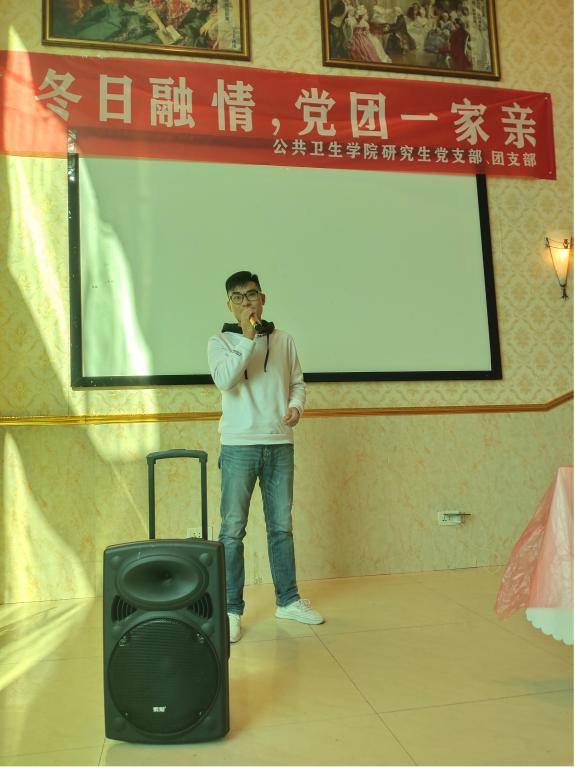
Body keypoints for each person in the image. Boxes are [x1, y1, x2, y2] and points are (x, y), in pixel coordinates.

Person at [207, 271, 324, 643]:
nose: (246, 302)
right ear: (229, 304)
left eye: (252, 295)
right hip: (238, 446)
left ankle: (288, 600)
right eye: (238, 297)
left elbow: (297, 383)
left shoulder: (284, 340)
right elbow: (225, 380)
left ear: (263, 298)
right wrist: (247, 339)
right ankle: (230, 610)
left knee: (281, 527)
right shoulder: (220, 342)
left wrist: (295, 407)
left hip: (279, 444)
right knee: (232, 531)